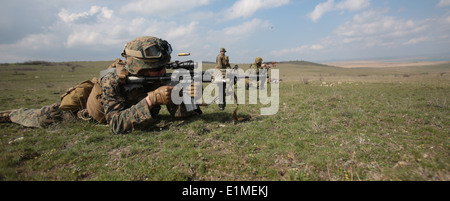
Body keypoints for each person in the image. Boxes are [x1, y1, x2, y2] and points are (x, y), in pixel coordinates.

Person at [0, 36, 199, 134]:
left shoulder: (158, 76)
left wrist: (187, 99)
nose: (163, 73)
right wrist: (152, 99)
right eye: (157, 69)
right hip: (75, 114)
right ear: (140, 67)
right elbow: (116, 124)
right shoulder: (111, 80)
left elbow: (180, 115)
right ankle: (7, 114)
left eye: (164, 67)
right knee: (29, 117)